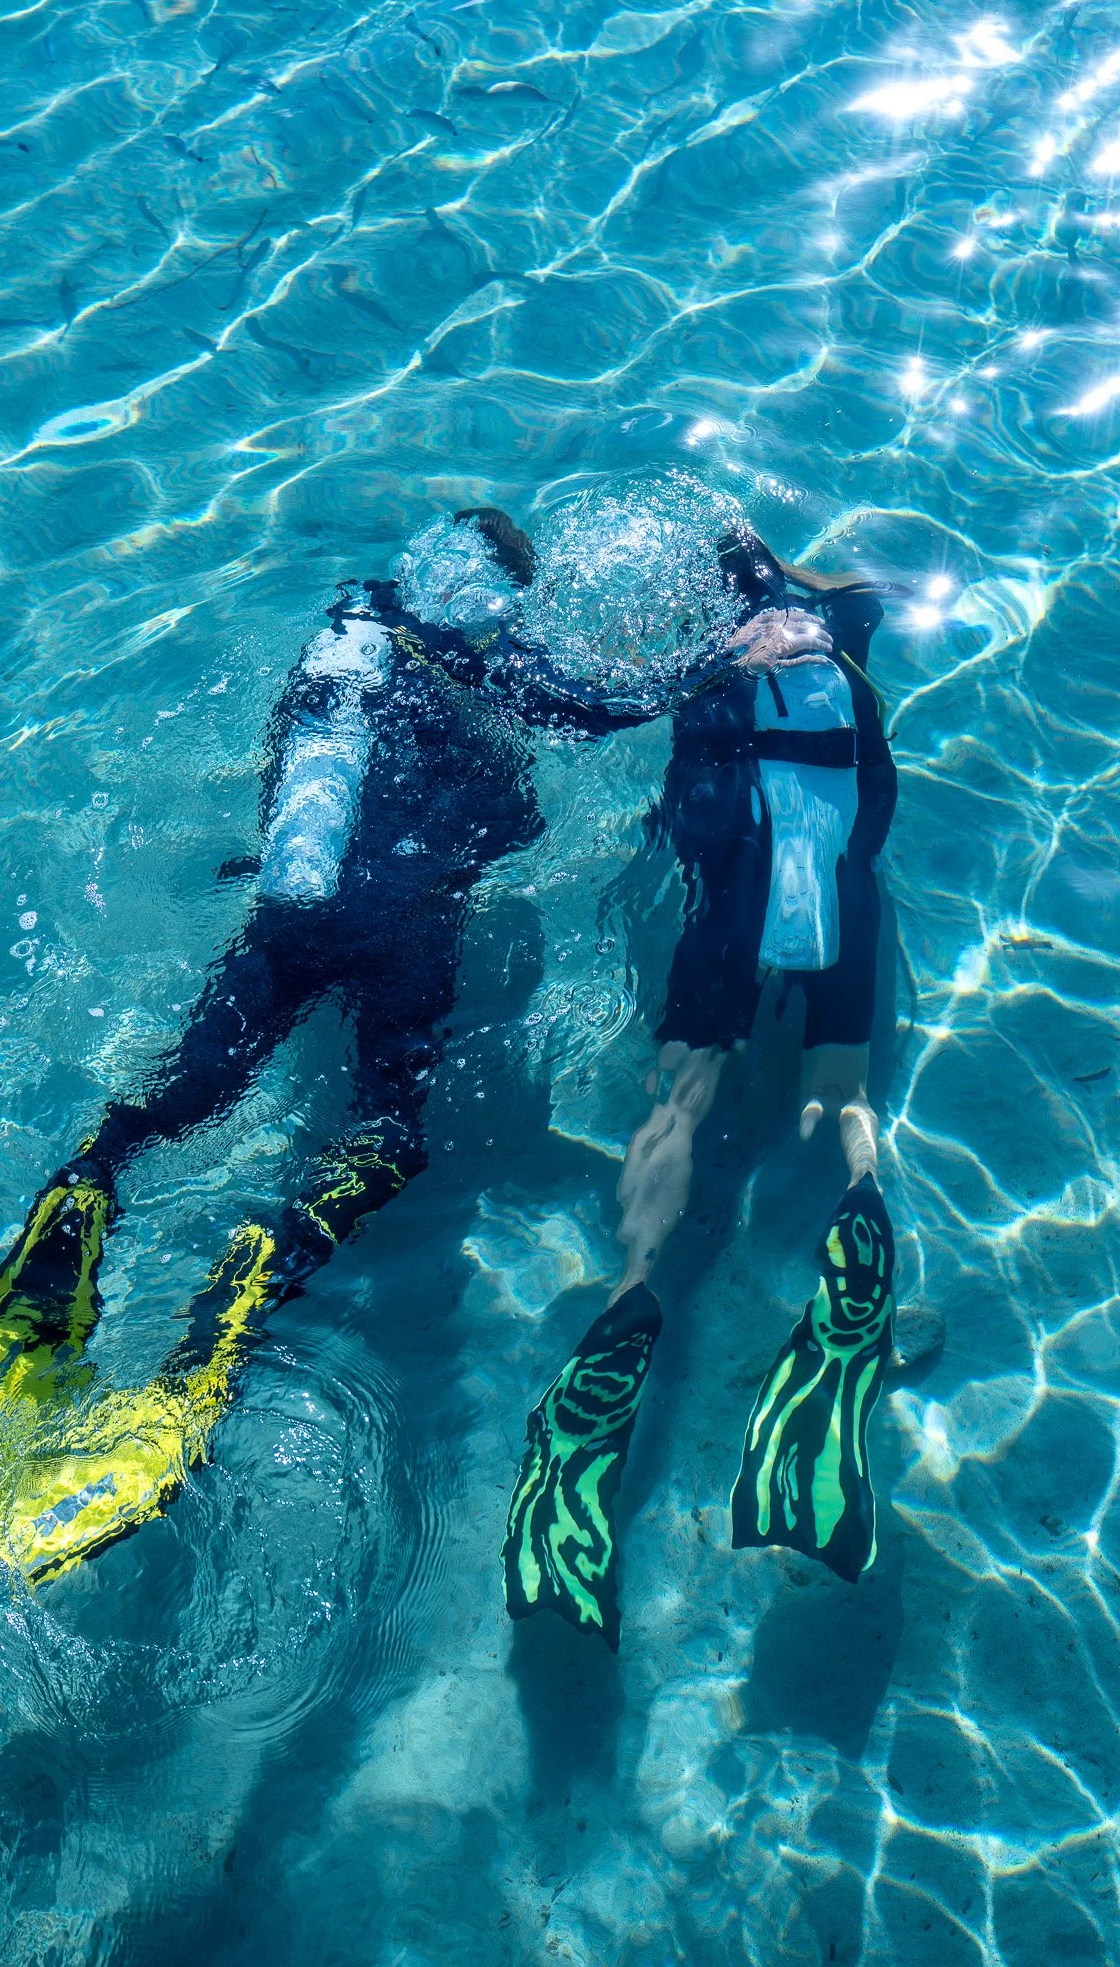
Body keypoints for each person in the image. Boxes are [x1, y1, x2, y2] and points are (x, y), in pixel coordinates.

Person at [0, 507, 578, 1583]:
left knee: (176, 1100)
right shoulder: (482, 692)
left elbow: (294, 808)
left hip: (282, 922)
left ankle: (85, 1191)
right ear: (491, 613)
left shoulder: (340, 650)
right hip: (405, 940)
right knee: (389, 1134)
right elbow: (512, 826)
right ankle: (255, 1274)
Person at [372, 526, 902, 1646]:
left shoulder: (706, 649)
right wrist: (795, 569)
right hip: (839, 871)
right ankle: (853, 1213)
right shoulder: (839, 629)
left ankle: (633, 1290)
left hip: (736, 849)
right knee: (843, 1092)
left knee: (681, 1100)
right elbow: (872, 586)